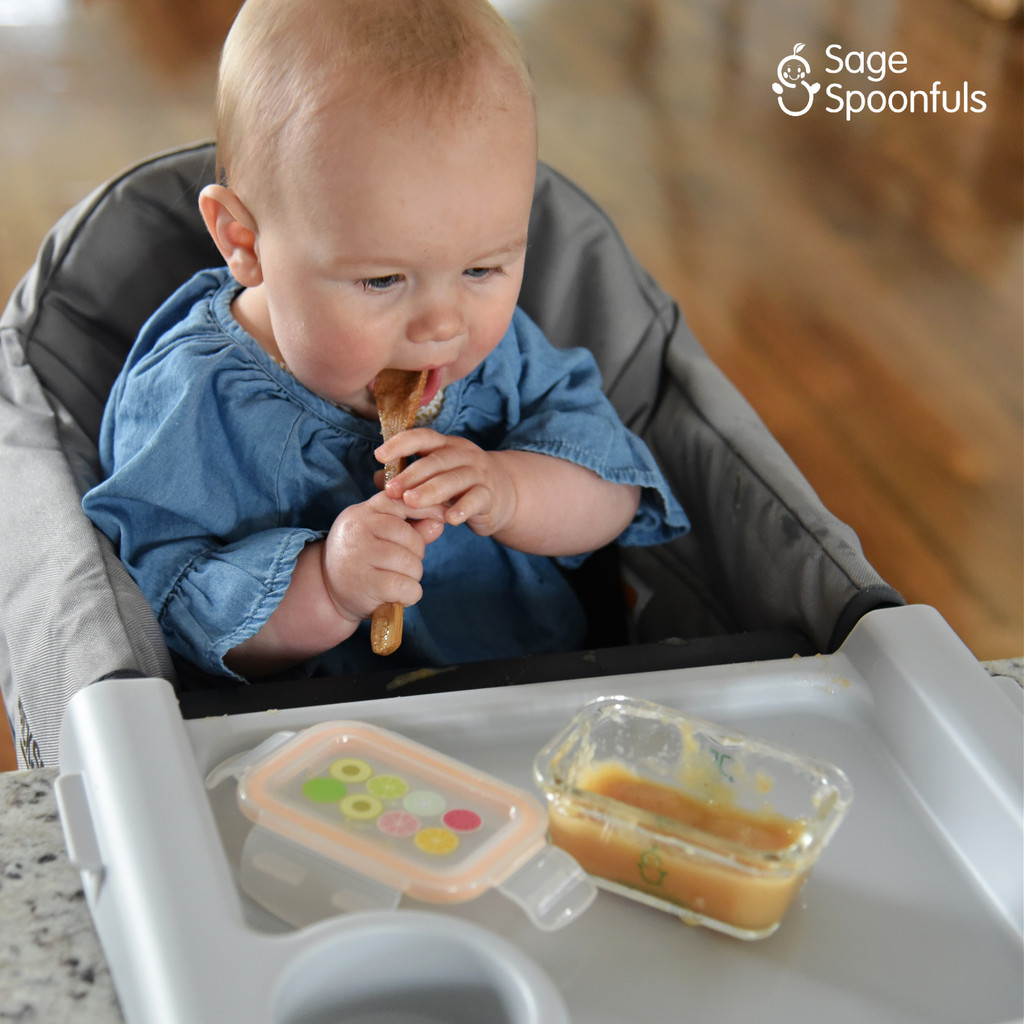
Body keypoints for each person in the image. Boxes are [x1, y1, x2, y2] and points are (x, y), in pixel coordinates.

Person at [82, 0, 689, 683]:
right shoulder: (192, 397)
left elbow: (615, 490)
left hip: (537, 690)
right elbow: (167, 614)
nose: (443, 326)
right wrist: (329, 586)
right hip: (318, 738)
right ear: (244, 243)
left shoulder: (501, 353)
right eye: (382, 279)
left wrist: (511, 489)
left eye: (482, 269)